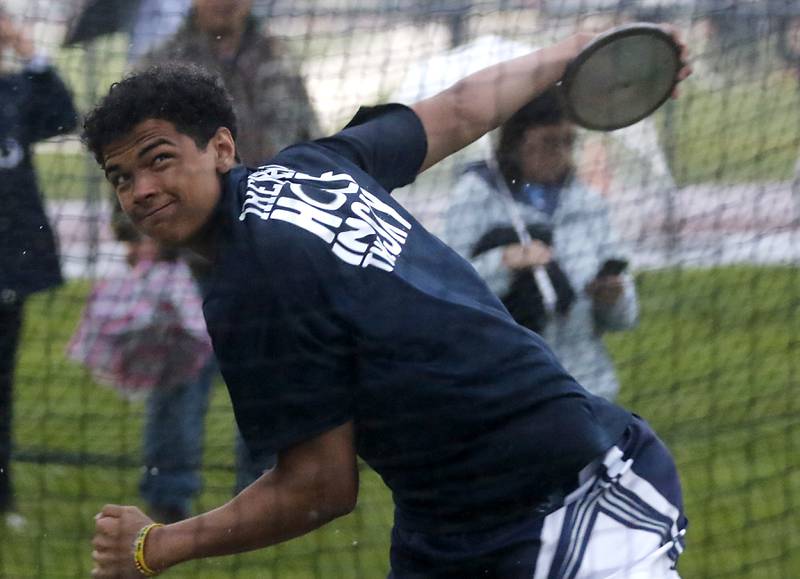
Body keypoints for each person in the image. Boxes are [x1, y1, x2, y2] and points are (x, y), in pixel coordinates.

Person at [85, 24, 691, 578]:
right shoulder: (313, 164)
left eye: (158, 159)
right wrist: (576, 47)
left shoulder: (250, 277)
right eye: (120, 177)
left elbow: (319, 488)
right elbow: (459, 110)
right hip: (456, 516)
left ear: (221, 148)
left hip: (559, 500)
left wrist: (156, 546)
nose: (140, 190)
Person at [115, 0, 321, 523]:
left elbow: (309, 137)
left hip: (266, 252)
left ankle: (267, 492)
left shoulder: (277, 57)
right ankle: (169, 493)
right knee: (178, 380)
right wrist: (132, 231)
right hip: (183, 256)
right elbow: (124, 151)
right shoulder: (162, 64)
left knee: (267, 377)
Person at [442, 87, 638, 401]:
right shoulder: (476, 195)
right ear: (517, 141)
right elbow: (445, 292)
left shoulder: (587, 202)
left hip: (586, 385)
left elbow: (624, 319)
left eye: (569, 141)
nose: (561, 153)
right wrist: (502, 263)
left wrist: (613, 296)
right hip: (504, 385)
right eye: (548, 142)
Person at [0, 7, 78, 528]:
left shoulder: (11, 93)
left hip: (8, 267)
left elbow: (62, 113)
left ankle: (1, 495)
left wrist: (28, 48)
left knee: (2, 383)